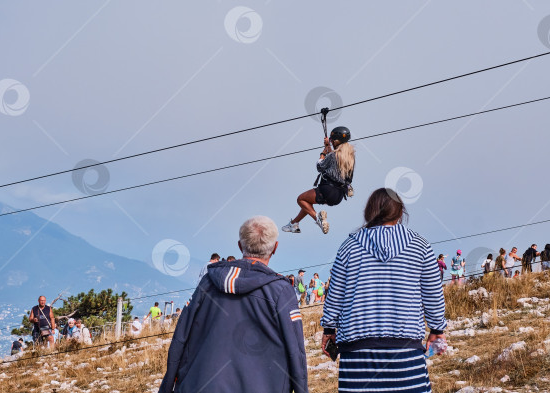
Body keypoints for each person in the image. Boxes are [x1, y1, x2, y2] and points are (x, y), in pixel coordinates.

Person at [159, 216, 307, 393]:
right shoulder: (281, 291)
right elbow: (295, 350)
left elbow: (180, 336)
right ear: (275, 248)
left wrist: (167, 387)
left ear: (239, 245)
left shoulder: (208, 282)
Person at [321, 188, 446, 392]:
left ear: (369, 211)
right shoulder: (420, 245)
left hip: (357, 355)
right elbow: (433, 294)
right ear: (400, 212)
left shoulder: (348, 247)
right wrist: (437, 329)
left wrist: (329, 329)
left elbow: (335, 294)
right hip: (406, 354)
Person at [282, 127, 355, 235]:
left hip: (327, 189)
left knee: (301, 199)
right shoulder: (350, 157)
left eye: (332, 140)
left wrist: (323, 154)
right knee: (307, 204)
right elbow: (334, 162)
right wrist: (328, 147)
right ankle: (294, 223)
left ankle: (318, 219)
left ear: (336, 141)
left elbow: (320, 166)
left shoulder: (332, 156)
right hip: (338, 195)